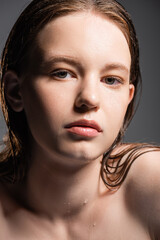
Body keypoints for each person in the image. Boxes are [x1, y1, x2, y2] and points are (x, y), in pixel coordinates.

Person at [0, 0, 160, 239]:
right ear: (15, 91)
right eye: (62, 73)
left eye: (111, 80)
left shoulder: (152, 186)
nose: (90, 98)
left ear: (128, 97)